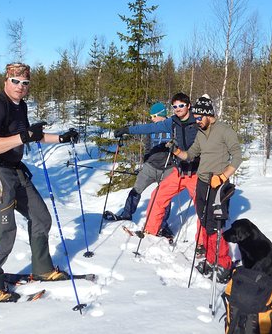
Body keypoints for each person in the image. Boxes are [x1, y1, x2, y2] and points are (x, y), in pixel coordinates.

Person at [0, 62, 79, 303]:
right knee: (4, 230)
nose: (20, 86)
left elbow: (30, 136)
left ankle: (42, 268)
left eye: (25, 82)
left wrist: (61, 137)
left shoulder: (20, 107)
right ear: (6, 81)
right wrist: (22, 137)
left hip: (14, 170)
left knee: (41, 217)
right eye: (15, 81)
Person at [171, 94, 242, 283]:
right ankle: (211, 260)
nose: (197, 120)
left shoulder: (225, 131)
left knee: (215, 225)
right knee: (204, 221)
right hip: (202, 183)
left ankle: (225, 264)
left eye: (199, 117)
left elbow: (237, 157)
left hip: (218, 183)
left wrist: (222, 176)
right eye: (195, 117)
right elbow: (191, 154)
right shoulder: (200, 133)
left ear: (209, 115)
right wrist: (177, 151)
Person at [114, 92, 201, 242]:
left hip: (196, 171)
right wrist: (127, 130)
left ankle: (203, 244)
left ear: (188, 106)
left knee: (202, 208)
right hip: (178, 170)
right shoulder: (173, 122)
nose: (178, 108)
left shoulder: (198, 122)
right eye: (175, 106)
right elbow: (147, 128)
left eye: (181, 105)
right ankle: (151, 231)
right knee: (158, 196)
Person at [103, 102, 175, 240]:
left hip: (168, 167)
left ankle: (163, 225)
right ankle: (126, 214)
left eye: (153, 116)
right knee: (136, 189)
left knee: (164, 197)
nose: (152, 118)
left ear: (161, 115)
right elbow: (147, 146)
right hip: (150, 167)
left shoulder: (172, 127)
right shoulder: (151, 129)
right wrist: (147, 160)